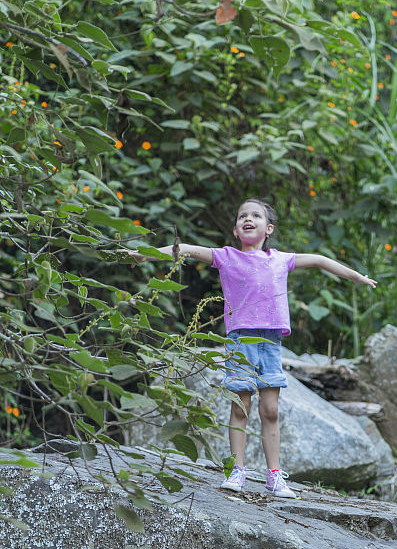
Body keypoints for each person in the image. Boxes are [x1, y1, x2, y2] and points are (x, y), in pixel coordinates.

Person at [140, 198, 376, 497]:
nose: (247, 219)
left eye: (255, 215)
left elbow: (319, 259)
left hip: (271, 341)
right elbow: (185, 248)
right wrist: (144, 256)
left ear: (269, 229)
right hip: (241, 340)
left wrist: (356, 276)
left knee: (271, 410)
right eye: (242, 216)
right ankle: (236, 470)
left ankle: (274, 476)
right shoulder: (226, 257)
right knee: (241, 406)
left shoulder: (280, 259)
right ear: (236, 230)